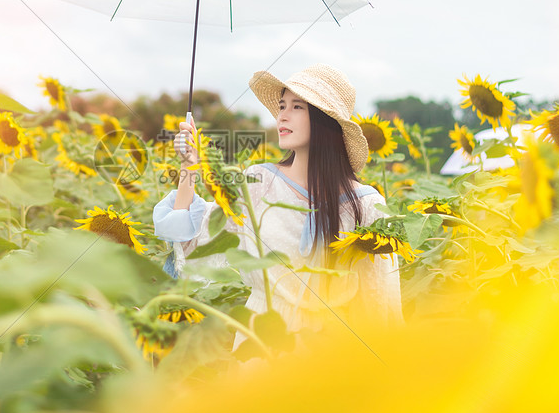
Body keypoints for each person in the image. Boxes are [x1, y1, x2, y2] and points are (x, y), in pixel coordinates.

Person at [152, 64, 402, 346]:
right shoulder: (259, 183)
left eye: (297, 107)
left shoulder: (366, 205)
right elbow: (193, 239)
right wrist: (189, 167)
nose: (282, 115)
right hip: (259, 345)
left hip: (331, 352)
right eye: (282, 105)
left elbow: (380, 302)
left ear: (325, 120)